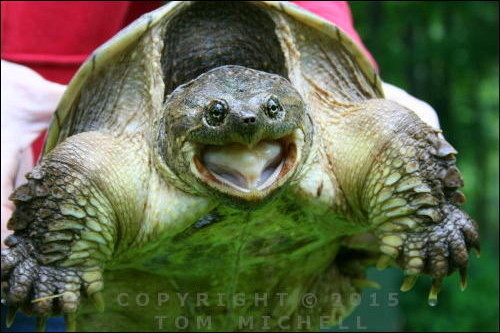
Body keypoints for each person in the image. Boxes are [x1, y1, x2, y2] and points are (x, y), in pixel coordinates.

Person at [0, 1, 439, 330]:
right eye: (216, 116)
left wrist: (430, 220)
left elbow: (387, 129)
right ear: (174, 122)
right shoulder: (106, 164)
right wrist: (50, 262)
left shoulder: (329, 125)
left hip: (297, 292)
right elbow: (80, 171)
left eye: (269, 110)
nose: (247, 124)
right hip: (106, 288)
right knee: (46, 274)